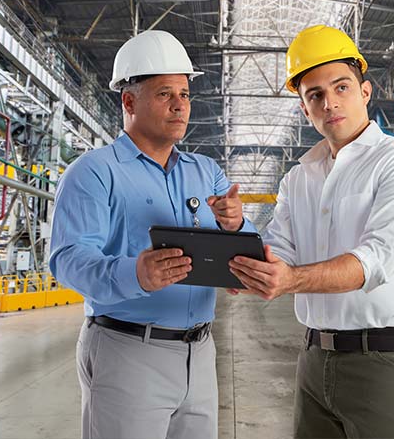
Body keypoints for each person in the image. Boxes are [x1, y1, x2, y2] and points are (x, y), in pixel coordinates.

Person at [228, 25, 394, 438]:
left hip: (384, 361)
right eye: (315, 95)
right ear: (305, 109)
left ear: (365, 91)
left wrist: (290, 280)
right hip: (313, 359)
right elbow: (280, 248)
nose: (330, 103)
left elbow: (374, 261)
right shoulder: (299, 178)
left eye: (341, 87)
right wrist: (244, 262)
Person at [49, 30, 255, 439]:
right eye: (165, 94)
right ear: (129, 101)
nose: (180, 105)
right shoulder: (94, 172)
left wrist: (236, 225)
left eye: (185, 93)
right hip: (127, 350)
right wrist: (134, 274)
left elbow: (241, 250)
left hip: (201, 352)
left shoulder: (205, 171)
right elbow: (68, 259)